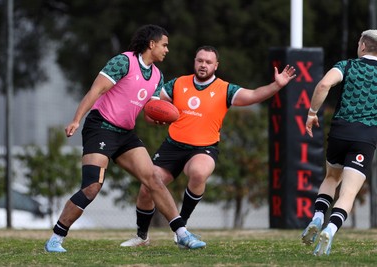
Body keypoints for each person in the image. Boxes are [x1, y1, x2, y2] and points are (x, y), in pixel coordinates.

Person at [44, 24, 206, 253]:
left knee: (153, 179)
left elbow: (149, 111)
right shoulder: (124, 62)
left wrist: (160, 118)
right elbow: (96, 90)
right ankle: (55, 238)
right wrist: (76, 119)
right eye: (164, 45)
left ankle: (182, 234)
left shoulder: (157, 76)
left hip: (125, 134)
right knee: (91, 186)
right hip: (100, 126)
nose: (167, 50)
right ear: (152, 44)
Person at [120, 45, 296, 247]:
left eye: (208, 62)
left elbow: (254, 94)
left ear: (216, 65)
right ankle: (142, 236)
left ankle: (181, 229)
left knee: (199, 172)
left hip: (203, 147)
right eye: (200, 60)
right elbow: (152, 104)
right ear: (195, 61)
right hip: (172, 145)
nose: (203, 65)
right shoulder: (178, 83)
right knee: (146, 189)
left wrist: (277, 85)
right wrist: (151, 116)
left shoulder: (225, 89)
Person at [301, 29, 377, 256]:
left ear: (363, 45)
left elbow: (323, 85)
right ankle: (331, 230)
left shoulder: (347, 65)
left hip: (340, 132)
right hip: (366, 137)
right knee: (348, 194)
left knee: (331, 178)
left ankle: (317, 217)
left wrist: (312, 113)